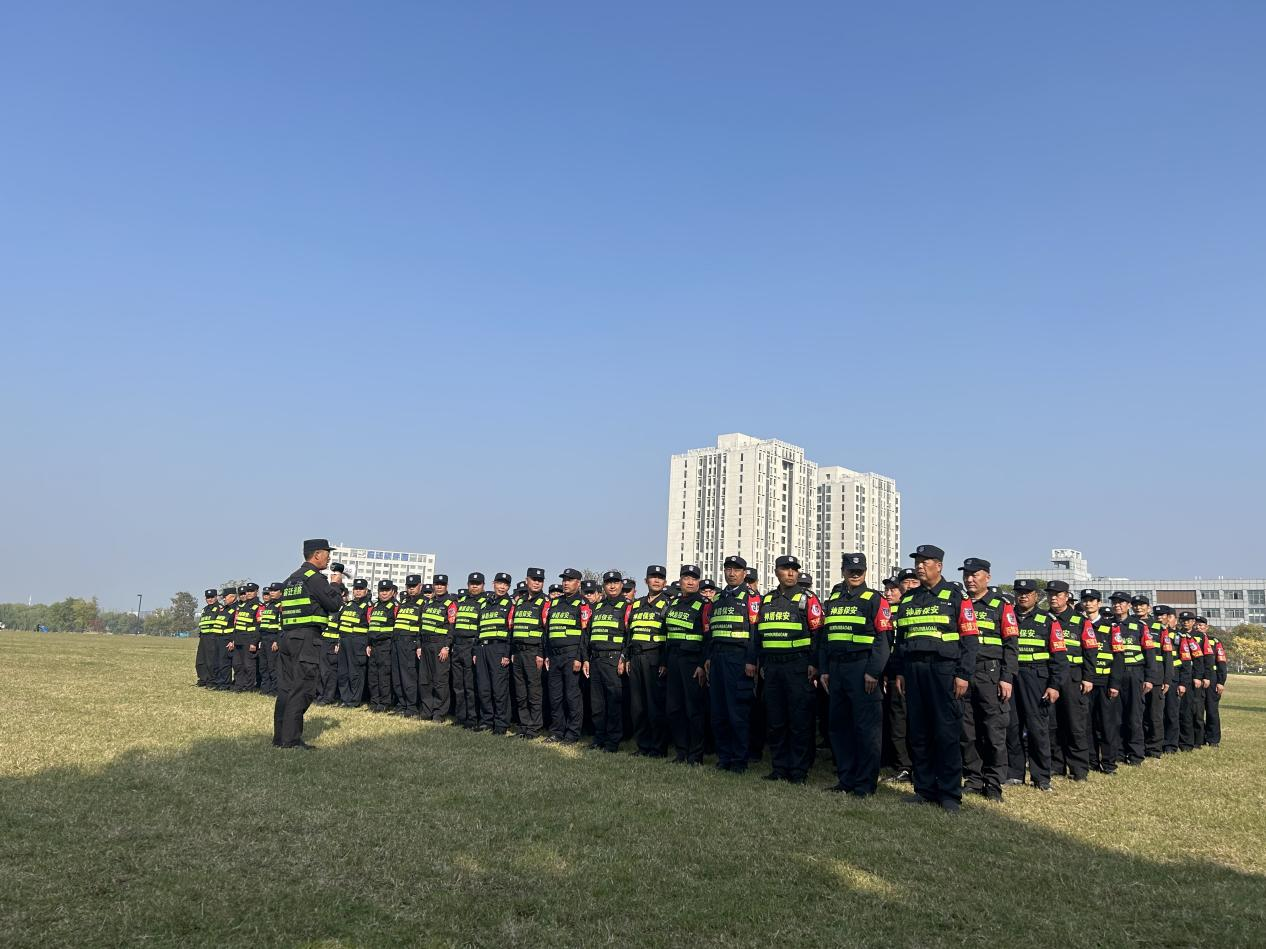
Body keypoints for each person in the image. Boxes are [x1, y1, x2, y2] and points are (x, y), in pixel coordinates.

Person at [893, 545, 978, 813]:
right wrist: (899, 671)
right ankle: (924, 789)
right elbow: (901, 639)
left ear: (939, 566)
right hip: (914, 670)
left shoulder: (955, 596)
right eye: (917, 562)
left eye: (925, 562)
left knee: (946, 732)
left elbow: (970, 639)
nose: (919, 566)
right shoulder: (908, 599)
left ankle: (949, 793)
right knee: (919, 731)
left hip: (944, 671)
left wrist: (963, 674)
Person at [820, 553, 892, 797]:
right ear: (843, 571)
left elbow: (883, 639)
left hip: (862, 669)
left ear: (865, 572)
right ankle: (846, 779)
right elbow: (825, 637)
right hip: (837, 669)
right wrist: (825, 669)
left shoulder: (874, 599)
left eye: (859, 571)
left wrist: (873, 672)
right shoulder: (834, 599)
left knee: (866, 729)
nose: (855, 574)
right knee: (839, 727)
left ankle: (864, 784)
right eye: (851, 571)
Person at [754, 554, 823, 784]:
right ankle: (779, 768)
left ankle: (798, 771)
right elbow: (759, 635)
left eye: (794, 569)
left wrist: (813, 663)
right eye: (786, 569)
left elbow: (818, 634)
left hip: (798, 667)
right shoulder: (767, 600)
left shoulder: (807, 599)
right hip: (773, 668)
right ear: (776, 572)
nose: (791, 573)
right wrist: (761, 662)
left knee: (799, 720)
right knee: (776, 719)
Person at [274, 539, 345, 748]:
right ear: (317, 555)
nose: (329, 559)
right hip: (306, 639)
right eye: (327, 554)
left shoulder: (291, 579)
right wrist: (335, 584)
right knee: (303, 688)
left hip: (287, 637)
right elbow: (334, 604)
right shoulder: (314, 578)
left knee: (286, 689)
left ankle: (279, 737)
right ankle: (291, 739)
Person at [958, 559, 1018, 801]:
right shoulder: (959, 603)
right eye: (966, 575)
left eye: (975, 575)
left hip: (990, 673)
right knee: (967, 731)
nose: (970, 579)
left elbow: (1011, 645)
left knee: (994, 730)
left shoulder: (1001, 606)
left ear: (988, 577)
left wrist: (1007, 677)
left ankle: (993, 782)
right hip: (964, 673)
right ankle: (973, 779)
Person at [1004, 580, 1066, 791]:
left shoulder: (1048, 620)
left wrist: (1054, 685)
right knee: (1012, 725)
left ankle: (1041, 777)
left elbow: (1059, 656)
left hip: (1036, 678)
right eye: (1019, 592)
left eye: (1027, 593)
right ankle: (1015, 773)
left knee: (1037, 727)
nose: (1023, 596)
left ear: (1036, 596)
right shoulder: (1008, 616)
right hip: (1012, 677)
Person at [706, 555, 759, 774]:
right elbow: (711, 630)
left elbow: (755, 632)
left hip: (738, 659)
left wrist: (751, 660)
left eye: (736, 570)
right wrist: (709, 657)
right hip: (718, 658)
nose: (732, 573)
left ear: (744, 573)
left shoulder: (751, 597)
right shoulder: (718, 598)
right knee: (719, 712)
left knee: (737, 711)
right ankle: (724, 757)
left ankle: (739, 760)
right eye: (728, 569)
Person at [1047, 580, 1097, 782]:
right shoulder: (1045, 618)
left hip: (1073, 677)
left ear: (1066, 597)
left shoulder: (1080, 621)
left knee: (1075, 723)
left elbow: (1091, 651)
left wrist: (1088, 677)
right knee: (1052, 722)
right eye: (1050, 594)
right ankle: (1056, 765)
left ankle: (1079, 768)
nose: (1053, 598)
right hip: (1050, 675)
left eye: (1057, 594)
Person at [665, 564, 709, 765]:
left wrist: (701, 664)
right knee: (675, 708)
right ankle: (681, 752)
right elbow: (667, 634)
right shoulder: (673, 603)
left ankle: (695, 755)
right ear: (680, 580)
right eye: (686, 578)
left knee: (694, 709)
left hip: (692, 662)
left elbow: (708, 637)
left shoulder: (704, 604)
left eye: (694, 578)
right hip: (673, 660)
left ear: (698, 582)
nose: (690, 582)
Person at [626, 566, 671, 756]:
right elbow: (630, 633)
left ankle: (658, 748)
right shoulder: (637, 604)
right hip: (635, 658)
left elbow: (669, 636)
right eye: (653, 577)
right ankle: (642, 746)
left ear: (665, 582)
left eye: (660, 578)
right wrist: (627, 657)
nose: (657, 580)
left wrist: (664, 661)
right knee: (637, 706)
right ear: (646, 581)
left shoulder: (668, 604)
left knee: (655, 706)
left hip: (655, 658)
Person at [584, 570, 631, 752]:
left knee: (613, 703)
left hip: (613, 659)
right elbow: (588, 635)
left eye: (615, 582)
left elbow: (629, 636)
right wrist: (586, 658)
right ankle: (599, 738)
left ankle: (612, 742)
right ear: (603, 585)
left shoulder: (627, 607)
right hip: (595, 660)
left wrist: (623, 657)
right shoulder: (597, 607)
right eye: (609, 582)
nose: (612, 586)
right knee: (597, 704)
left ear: (621, 585)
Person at [544, 569, 589, 743]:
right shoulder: (554, 603)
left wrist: (579, 657)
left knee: (572, 696)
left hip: (571, 655)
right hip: (554, 656)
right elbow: (548, 631)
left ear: (578, 583)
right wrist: (547, 654)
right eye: (564, 580)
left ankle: (572, 733)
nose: (565, 583)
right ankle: (557, 731)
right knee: (555, 697)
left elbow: (585, 633)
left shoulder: (582, 603)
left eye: (570, 580)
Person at [1084, 590, 1123, 773]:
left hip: (1105, 682)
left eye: (1092, 600)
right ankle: (1091, 761)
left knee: (1107, 724)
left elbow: (1118, 657)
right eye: (1085, 600)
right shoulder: (1080, 624)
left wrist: (1115, 684)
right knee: (1087, 724)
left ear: (1099, 603)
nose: (1088, 604)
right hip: (1085, 682)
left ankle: (1108, 763)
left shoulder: (1111, 626)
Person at [511, 567, 550, 738]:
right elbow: (514, 629)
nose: (536, 583)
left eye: (540, 580)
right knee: (521, 692)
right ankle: (524, 725)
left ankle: (534, 727)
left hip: (534, 653)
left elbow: (546, 631)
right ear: (527, 580)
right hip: (518, 653)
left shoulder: (545, 602)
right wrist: (513, 651)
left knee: (534, 692)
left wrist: (541, 653)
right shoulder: (520, 602)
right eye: (534, 579)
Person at [881, 575, 912, 782]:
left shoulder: (906, 610)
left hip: (907, 672)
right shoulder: (884, 611)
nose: (889, 593)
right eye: (887, 589)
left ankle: (907, 765)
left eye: (893, 589)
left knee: (904, 719)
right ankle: (894, 761)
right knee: (892, 720)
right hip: (888, 672)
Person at [476, 572, 515, 734]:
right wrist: (476, 650)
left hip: (499, 649)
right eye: (500, 583)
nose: (502, 587)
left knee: (499, 689)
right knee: (484, 687)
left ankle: (501, 724)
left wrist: (506, 653)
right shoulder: (485, 603)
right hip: (482, 649)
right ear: (493, 584)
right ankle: (487, 721)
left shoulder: (510, 604)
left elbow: (511, 631)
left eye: (505, 584)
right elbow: (478, 628)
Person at [1133, 595, 1170, 758]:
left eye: (1142, 605)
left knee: (1154, 715)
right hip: (1137, 675)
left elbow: (1167, 655)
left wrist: (1167, 679)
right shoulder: (1128, 624)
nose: (1138, 608)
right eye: (1135, 605)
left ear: (1148, 608)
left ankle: (1154, 748)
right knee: (1136, 714)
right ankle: (1138, 746)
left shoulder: (1159, 627)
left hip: (1157, 677)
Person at [418, 574, 456, 723]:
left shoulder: (450, 603)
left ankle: (439, 713)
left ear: (446, 586)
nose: (439, 587)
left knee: (440, 681)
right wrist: (419, 646)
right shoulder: (428, 603)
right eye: (437, 584)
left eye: (442, 584)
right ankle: (427, 711)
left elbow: (452, 627)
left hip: (440, 645)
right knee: (425, 680)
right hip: (426, 645)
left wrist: (446, 646)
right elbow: (422, 626)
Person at [452, 574, 487, 729]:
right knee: (458, 685)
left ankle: (472, 719)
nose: (474, 586)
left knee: (470, 685)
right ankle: (460, 717)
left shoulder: (485, 602)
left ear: (483, 585)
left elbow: (481, 627)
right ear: (467, 584)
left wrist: (475, 649)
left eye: (477, 584)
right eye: (472, 583)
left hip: (471, 646)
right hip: (458, 646)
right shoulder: (462, 602)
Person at [337, 579, 372, 707]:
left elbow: (371, 626)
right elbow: (340, 623)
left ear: (366, 591)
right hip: (344, 641)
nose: (358, 591)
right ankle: (345, 698)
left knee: (355, 672)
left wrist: (369, 644)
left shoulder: (369, 606)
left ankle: (354, 700)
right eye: (356, 589)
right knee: (343, 671)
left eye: (361, 589)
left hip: (358, 642)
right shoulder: (348, 605)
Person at [364, 580, 397, 713]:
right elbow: (371, 626)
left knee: (384, 676)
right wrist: (369, 643)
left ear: (392, 592)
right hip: (374, 646)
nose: (384, 593)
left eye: (387, 590)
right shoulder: (375, 606)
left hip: (386, 645)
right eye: (381, 590)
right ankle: (375, 702)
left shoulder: (395, 607)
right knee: (373, 675)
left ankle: (384, 703)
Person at [1178, 612, 1207, 750]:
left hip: (1195, 677)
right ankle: (1184, 739)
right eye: (1183, 620)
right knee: (1183, 710)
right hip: (1182, 675)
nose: (1185, 622)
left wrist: (1199, 676)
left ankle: (1198, 740)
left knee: (1197, 710)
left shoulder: (1200, 636)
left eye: (1188, 620)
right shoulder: (1177, 634)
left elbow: (1202, 659)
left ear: (1193, 622)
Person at [1200, 617, 1227, 745]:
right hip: (1197, 679)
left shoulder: (1214, 641)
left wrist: (1221, 682)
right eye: (1196, 625)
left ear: (1207, 627)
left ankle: (1213, 739)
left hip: (1213, 678)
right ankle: (1200, 737)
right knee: (1197, 711)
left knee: (1211, 710)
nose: (1198, 627)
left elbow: (1221, 662)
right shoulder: (1190, 639)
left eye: (1201, 625)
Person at [258, 582, 284, 696]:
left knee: (273, 666)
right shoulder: (269, 605)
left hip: (273, 638)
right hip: (264, 638)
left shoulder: (281, 605)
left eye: (274, 591)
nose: (271, 593)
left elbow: (281, 625)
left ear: (281, 592)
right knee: (263, 665)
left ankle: (275, 690)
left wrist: (277, 641)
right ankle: (265, 689)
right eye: (271, 591)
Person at [195, 588, 222, 687]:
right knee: (201, 660)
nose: (209, 599)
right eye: (208, 597)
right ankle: (203, 679)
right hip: (203, 637)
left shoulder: (220, 608)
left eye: (212, 597)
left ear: (216, 597)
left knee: (212, 661)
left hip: (213, 637)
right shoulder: (205, 609)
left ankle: (212, 680)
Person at [214, 586, 238, 691]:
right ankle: (220, 682)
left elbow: (237, 626)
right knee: (219, 662)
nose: (224, 599)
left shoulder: (237, 609)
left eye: (225, 597)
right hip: (219, 638)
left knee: (226, 663)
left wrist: (233, 641)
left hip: (228, 639)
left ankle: (225, 684)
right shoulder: (224, 609)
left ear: (233, 597)